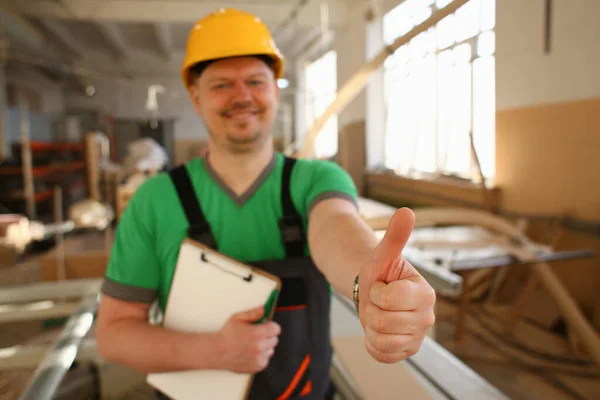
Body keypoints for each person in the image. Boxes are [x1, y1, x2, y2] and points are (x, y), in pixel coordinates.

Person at [95, 8, 436, 400]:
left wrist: (368, 284)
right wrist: (214, 351)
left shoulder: (317, 180)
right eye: (222, 84)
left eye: (255, 81)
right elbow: (114, 334)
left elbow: (334, 227)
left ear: (276, 89)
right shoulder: (154, 200)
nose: (242, 96)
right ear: (196, 96)